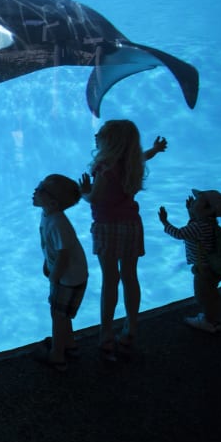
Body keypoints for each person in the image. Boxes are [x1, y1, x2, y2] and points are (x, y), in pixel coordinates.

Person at [78, 120, 167, 361]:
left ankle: (106, 335)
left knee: (110, 280)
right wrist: (155, 150)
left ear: (111, 143)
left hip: (108, 228)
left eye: (102, 135)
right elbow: (143, 156)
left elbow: (96, 198)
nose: (96, 136)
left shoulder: (106, 168)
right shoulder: (130, 162)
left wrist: (84, 191)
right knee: (130, 277)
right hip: (131, 225)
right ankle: (131, 328)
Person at [32, 174, 88, 372]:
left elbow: (64, 254)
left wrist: (55, 276)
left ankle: (57, 356)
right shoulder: (47, 214)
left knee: (58, 315)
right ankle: (69, 344)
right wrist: (48, 264)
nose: (35, 190)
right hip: (68, 274)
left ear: (53, 202)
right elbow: (51, 247)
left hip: (68, 278)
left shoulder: (57, 223)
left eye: (41, 189)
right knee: (62, 314)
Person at [158, 189, 221, 333]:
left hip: (203, 270)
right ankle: (214, 318)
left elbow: (180, 234)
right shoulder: (209, 223)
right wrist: (191, 212)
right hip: (212, 268)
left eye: (198, 202)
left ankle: (208, 322)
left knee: (203, 295)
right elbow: (196, 223)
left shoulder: (198, 227)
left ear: (207, 210)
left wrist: (165, 222)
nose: (194, 202)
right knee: (212, 293)